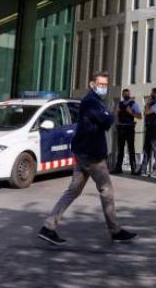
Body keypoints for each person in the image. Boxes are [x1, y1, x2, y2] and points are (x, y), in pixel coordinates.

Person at [38, 71, 137, 245]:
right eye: (100, 84)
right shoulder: (91, 101)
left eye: (106, 85)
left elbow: (104, 119)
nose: (103, 87)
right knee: (107, 191)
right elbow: (106, 121)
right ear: (92, 84)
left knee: (73, 191)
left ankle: (48, 227)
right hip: (92, 156)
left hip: (83, 153)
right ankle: (115, 231)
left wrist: (108, 114)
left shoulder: (94, 101)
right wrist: (111, 113)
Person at [113, 89, 141, 175]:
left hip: (129, 128)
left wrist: (131, 112)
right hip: (121, 127)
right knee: (120, 149)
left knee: (131, 148)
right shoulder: (120, 104)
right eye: (124, 94)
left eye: (127, 94)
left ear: (129, 94)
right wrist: (116, 119)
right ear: (122, 94)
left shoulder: (133, 104)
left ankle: (133, 169)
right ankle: (118, 168)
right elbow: (116, 114)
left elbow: (139, 116)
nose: (125, 95)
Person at [139, 88, 156, 177]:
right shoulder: (152, 102)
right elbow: (145, 113)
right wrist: (148, 104)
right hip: (149, 127)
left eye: (152, 93)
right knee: (146, 149)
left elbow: (148, 112)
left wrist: (147, 105)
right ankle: (143, 169)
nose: (150, 94)